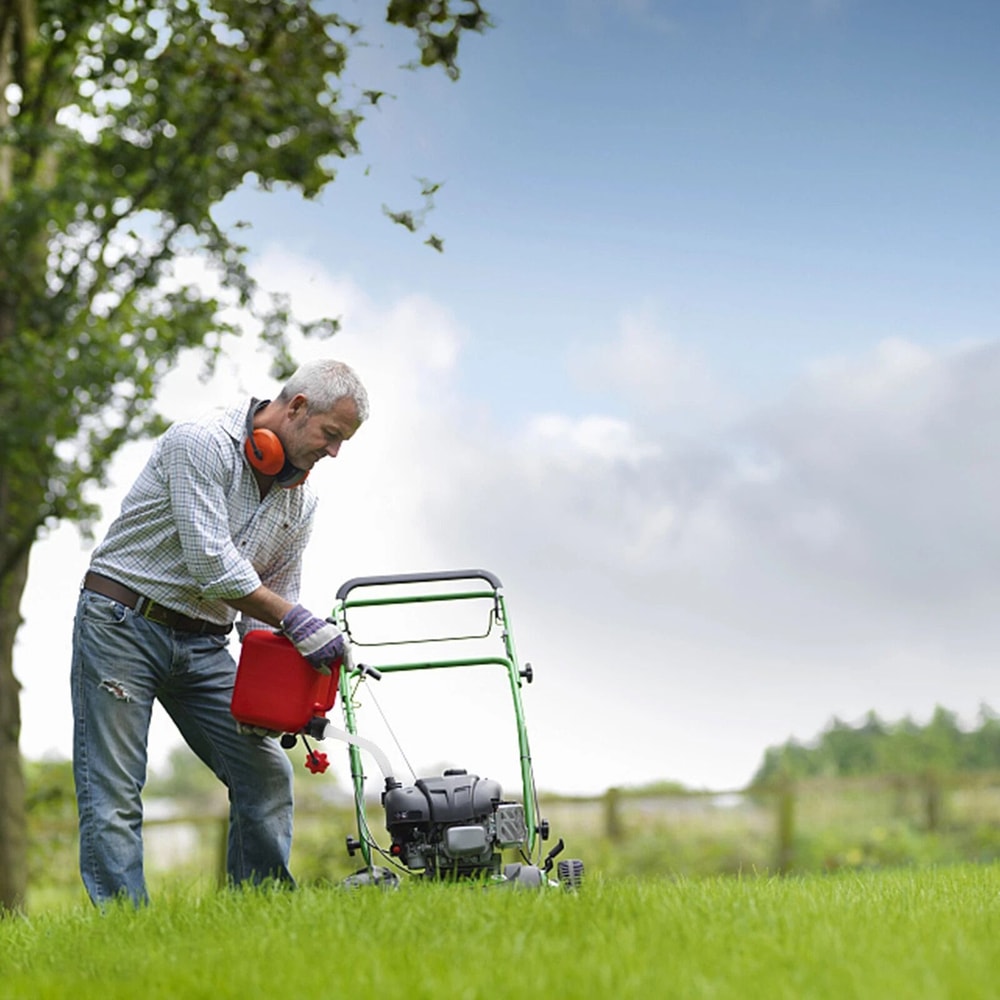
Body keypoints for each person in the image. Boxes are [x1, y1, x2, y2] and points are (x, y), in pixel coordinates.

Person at [71, 358, 369, 906]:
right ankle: (124, 927)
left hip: (204, 640)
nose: (334, 453)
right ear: (297, 407)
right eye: (331, 435)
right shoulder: (201, 443)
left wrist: (280, 690)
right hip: (122, 624)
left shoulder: (298, 499)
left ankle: (260, 913)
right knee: (114, 791)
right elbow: (213, 565)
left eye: (343, 442)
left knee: (264, 772)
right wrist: (297, 621)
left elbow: (270, 602)